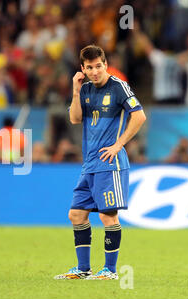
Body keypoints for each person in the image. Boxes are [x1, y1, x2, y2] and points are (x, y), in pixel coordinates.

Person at [54, 45, 146, 280]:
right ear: (82, 69)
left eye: (98, 66)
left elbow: (139, 116)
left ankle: (111, 271)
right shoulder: (84, 90)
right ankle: (84, 269)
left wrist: (119, 145)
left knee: (108, 216)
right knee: (76, 214)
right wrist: (75, 92)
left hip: (110, 162)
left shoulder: (118, 87)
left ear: (105, 64)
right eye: (89, 68)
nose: (95, 71)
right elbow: (75, 119)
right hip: (90, 164)